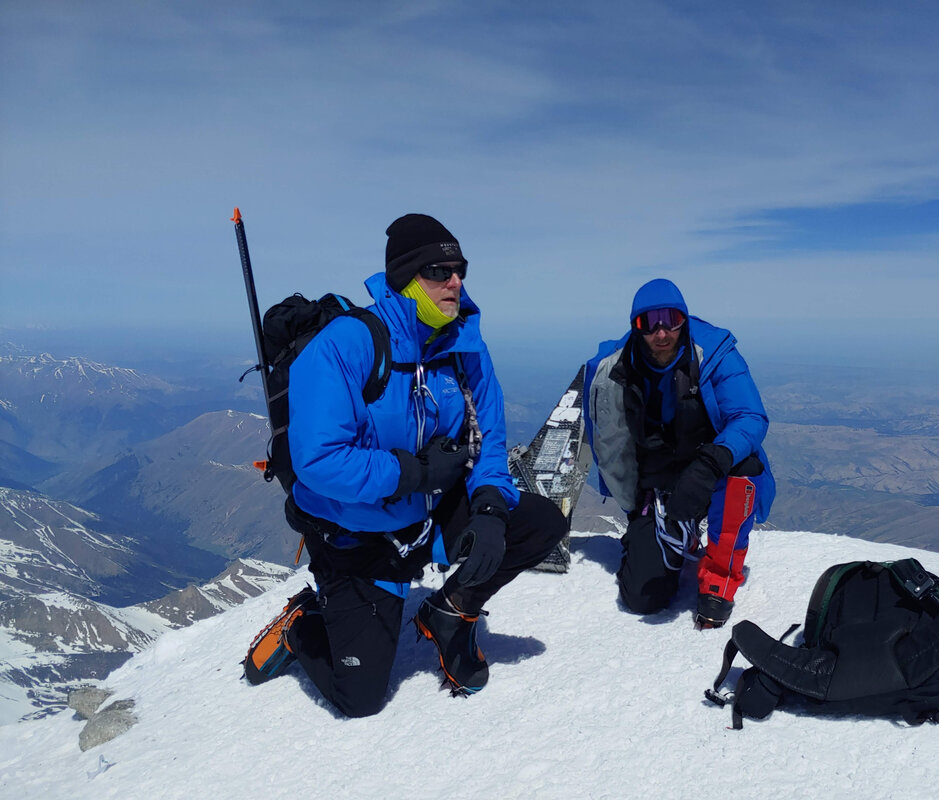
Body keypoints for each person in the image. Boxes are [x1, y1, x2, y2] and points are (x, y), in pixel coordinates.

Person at [244, 214, 567, 715]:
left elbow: (490, 442)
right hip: (356, 535)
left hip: (426, 520)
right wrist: (411, 474)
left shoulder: (464, 347)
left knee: (539, 523)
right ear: (405, 280)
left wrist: (487, 505)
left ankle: (450, 611)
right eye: (439, 270)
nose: (455, 281)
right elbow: (318, 462)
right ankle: (303, 624)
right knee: (360, 700)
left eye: (459, 269)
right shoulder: (347, 345)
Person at [583, 278, 774, 628]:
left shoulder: (714, 354)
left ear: (683, 320)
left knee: (743, 466)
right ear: (635, 327)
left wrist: (710, 463)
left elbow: (750, 416)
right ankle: (663, 532)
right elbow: (606, 438)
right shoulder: (615, 369)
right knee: (642, 599)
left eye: (670, 319)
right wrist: (632, 499)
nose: (661, 332)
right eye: (648, 322)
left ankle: (719, 580)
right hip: (655, 483)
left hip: (709, 469)